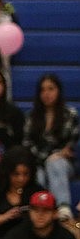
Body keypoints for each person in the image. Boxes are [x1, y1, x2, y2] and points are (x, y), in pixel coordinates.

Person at [22, 72, 79, 219]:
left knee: (56, 164)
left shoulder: (70, 115)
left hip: (63, 164)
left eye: (51, 89)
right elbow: (27, 144)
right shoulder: (31, 117)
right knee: (39, 175)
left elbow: (72, 144)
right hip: (37, 162)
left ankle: (63, 209)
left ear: (58, 91)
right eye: (43, 90)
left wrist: (58, 155)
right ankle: (42, 211)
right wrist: (50, 156)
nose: (47, 93)